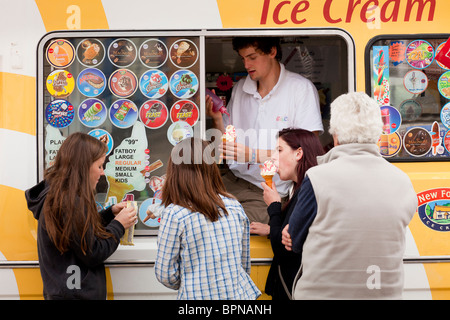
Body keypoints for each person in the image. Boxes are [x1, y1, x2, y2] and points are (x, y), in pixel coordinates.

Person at [282, 92, 418, 300]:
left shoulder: (318, 177)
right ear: (378, 135)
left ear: (335, 135)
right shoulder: (403, 181)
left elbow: (295, 242)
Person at [206, 36, 323, 224]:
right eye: (242, 58)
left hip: (268, 190)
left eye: (252, 57)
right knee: (189, 208)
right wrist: (217, 118)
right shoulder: (240, 89)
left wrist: (253, 155)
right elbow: (227, 143)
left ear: (272, 52)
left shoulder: (300, 89)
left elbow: (308, 153)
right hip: (232, 179)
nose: (246, 64)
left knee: (222, 224)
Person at [25, 132, 137, 300]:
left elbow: (76, 233)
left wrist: (109, 213)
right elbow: (93, 252)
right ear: (83, 167)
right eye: (99, 166)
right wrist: (119, 225)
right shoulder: (71, 202)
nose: (102, 173)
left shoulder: (59, 196)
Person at [154, 137, 261, 300]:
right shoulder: (234, 205)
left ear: (174, 171)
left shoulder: (175, 214)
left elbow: (166, 274)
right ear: (211, 168)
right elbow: (244, 263)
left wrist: (192, 281)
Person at [259, 128, 324, 300]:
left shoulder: (308, 193)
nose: (272, 157)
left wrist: (274, 206)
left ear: (299, 153)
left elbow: (283, 250)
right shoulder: (295, 188)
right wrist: (270, 228)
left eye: (279, 150)